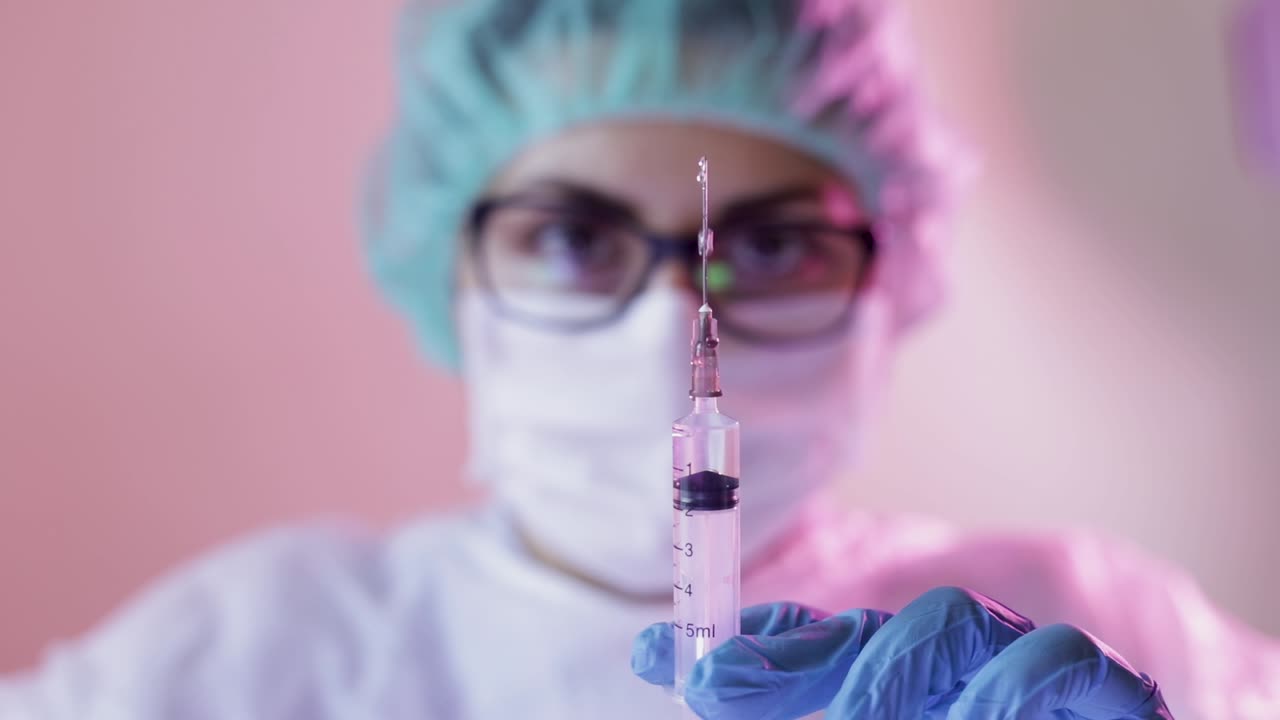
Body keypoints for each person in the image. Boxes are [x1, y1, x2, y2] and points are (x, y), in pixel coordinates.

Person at [3, 0, 1278, 718]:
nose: (675, 323)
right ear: (453, 264)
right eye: (570, 238)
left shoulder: (1072, 633)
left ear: (890, 273)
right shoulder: (260, 658)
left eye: (769, 248)